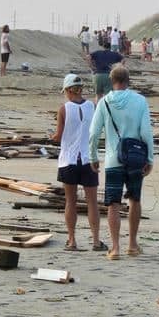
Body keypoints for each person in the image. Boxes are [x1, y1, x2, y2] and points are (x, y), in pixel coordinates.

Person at [89, 66, 154, 260]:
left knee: (113, 203)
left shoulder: (104, 102)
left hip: (112, 159)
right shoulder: (140, 101)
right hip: (135, 158)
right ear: (128, 80)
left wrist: (93, 156)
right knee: (135, 199)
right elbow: (146, 132)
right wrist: (149, 157)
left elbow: (93, 133)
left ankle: (115, 247)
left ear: (111, 80)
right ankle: (132, 244)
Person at [50, 74, 105, 251]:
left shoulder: (64, 109)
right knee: (92, 202)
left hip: (69, 159)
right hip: (89, 158)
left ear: (67, 90)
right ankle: (96, 241)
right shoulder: (92, 106)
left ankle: (72, 239)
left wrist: (53, 137)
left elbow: (58, 136)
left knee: (70, 201)